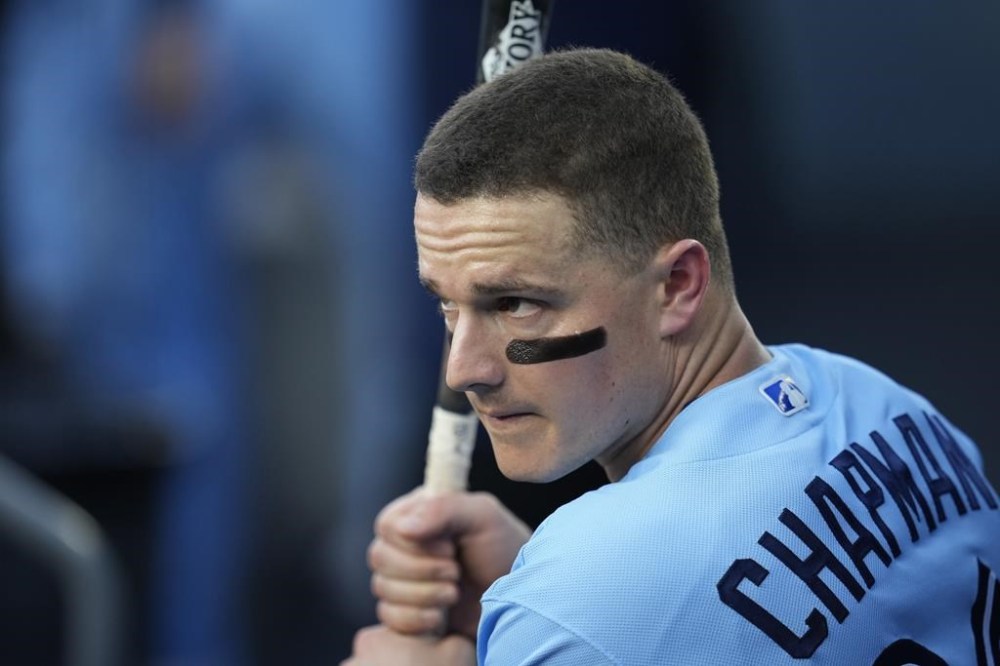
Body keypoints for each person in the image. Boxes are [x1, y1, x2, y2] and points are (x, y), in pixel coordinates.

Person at [343, 48, 1000, 664]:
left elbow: (639, 610)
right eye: (447, 303)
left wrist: (547, 609)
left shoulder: (584, 606)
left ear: (678, 286)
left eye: (515, 303)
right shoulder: (888, 408)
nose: (464, 370)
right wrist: (530, 582)